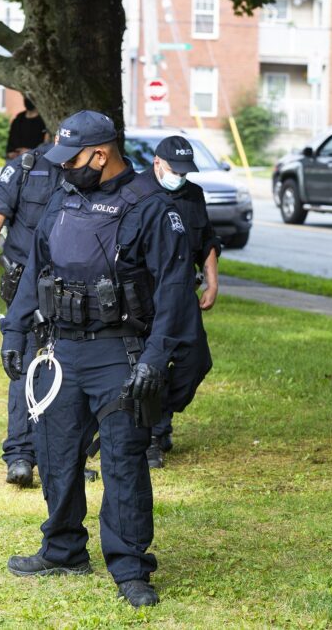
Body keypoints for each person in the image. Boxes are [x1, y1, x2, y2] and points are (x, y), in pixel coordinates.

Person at [0, 110, 195, 607]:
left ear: (101, 155)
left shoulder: (151, 206)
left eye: (74, 158)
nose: (65, 167)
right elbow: (35, 270)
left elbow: (174, 294)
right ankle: (63, 548)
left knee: (124, 461)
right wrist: (15, 331)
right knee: (55, 451)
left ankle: (130, 568)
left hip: (119, 353)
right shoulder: (64, 198)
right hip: (61, 348)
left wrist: (153, 359)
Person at [0, 139, 63, 487]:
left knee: (66, 367)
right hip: (25, 280)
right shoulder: (26, 166)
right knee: (22, 364)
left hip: (71, 283)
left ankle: (60, 454)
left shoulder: (90, 170)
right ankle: (20, 455)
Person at [144, 136, 219, 469]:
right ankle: (151, 435)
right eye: (176, 170)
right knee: (153, 362)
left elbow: (206, 240)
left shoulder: (193, 194)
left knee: (196, 361)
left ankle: (160, 414)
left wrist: (212, 281)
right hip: (146, 292)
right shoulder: (137, 191)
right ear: (157, 163)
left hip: (182, 290)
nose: (181, 177)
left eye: (186, 171)